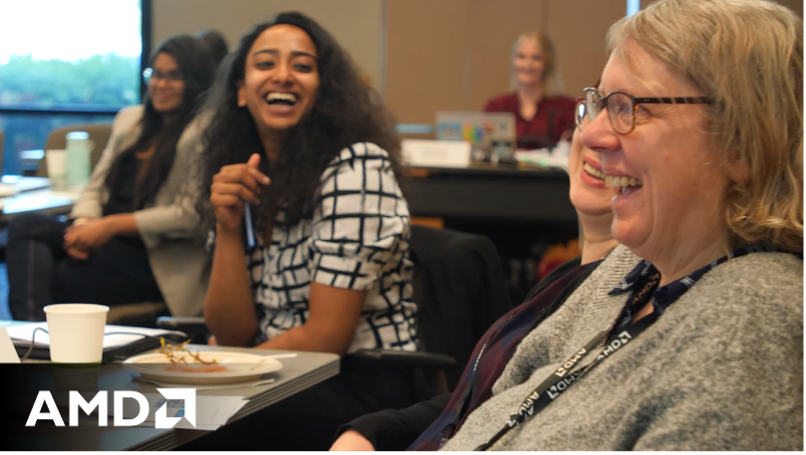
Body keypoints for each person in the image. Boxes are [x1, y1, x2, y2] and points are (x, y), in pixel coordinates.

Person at [435, 0, 802, 451]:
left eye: (631, 107)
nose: (591, 135)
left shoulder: (751, 324)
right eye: (600, 103)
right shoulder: (634, 270)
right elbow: (494, 408)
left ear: (743, 143)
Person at [189, 12, 417, 451]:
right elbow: (232, 331)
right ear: (240, 91)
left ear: (323, 90)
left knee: (184, 418)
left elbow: (326, 336)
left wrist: (218, 373)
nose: (283, 75)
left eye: (302, 65)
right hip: (275, 373)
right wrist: (229, 229)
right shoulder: (248, 174)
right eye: (265, 63)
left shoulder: (356, 167)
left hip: (360, 382)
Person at [330, 125, 619, 452]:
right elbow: (488, 397)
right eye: (593, 107)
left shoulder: (629, 299)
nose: (598, 134)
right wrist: (373, 430)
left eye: (625, 111)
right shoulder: (565, 279)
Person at [6, 35, 216, 320]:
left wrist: (109, 226)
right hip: (103, 242)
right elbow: (95, 187)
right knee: (24, 227)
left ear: (195, 80)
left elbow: (189, 214)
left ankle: (30, 345)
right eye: (155, 74)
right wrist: (84, 227)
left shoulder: (203, 130)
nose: (160, 84)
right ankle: (33, 343)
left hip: (152, 257)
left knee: (46, 274)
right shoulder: (131, 120)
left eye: (174, 76)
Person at [483, 32, 576, 150]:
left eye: (536, 58)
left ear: (547, 63)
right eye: (521, 57)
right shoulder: (497, 107)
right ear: (513, 61)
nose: (528, 64)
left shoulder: (566, 109)